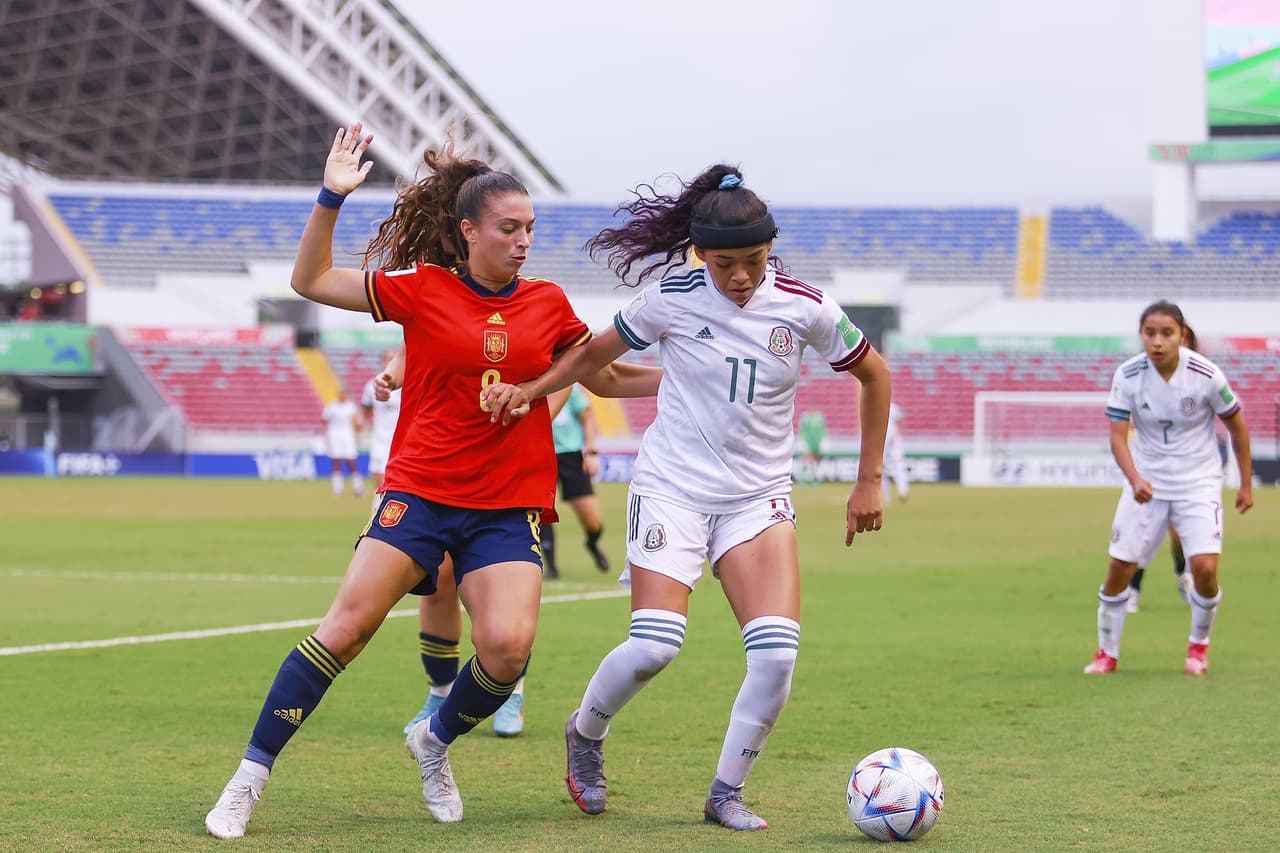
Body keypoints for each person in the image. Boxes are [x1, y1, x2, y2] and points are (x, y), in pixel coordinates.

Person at [203, 122, 659, 838]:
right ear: (468, 229)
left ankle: (434, 739)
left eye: (530, 227)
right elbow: (310, 280)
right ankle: (249, 777)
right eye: (509, 227)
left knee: (508, 650)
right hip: (419, 493)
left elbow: (603, 373)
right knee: (345, 630)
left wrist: (692, 376)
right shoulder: (422, 289)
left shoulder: (547, 303)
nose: (523, 240)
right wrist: (331, 196)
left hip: (508, 507)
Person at [483, 165, 892, 831]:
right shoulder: (669, 297)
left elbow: (874, 373)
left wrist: (868, 477)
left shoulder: (806, 306)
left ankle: (725, 792)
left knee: (777, 655)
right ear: (700, 253)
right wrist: (530, 394)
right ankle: (585, 731)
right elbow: (594, 362)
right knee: (655, 646)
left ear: (772, 248)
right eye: (725, 263)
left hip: (757, 499)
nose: (740, 277)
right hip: (671, 488)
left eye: (754, 261)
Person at [1083, 301, 1252, 677]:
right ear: (1141, 335)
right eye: (1149, 333)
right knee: (1118, 569)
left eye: (1166, 333)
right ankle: (1106, 653)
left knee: (1205, 569)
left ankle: (1198, 647)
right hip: (1146, 483)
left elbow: (1238, 426)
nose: (1157, 341)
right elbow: (1116, 438)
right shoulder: (1127, 375)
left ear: (1182, 335)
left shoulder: (1206, 374)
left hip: (1198, 482)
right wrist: (1135, 479)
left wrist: (1244, 484)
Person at [1124, 324, 1225, 613]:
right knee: (1146, 532)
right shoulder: (1145, 377)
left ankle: (1183, 573)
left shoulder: (1202, 378)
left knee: (1179, 535)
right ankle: (1133, 588)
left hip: (1192, 474)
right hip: (1153, 469)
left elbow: (1226, 416)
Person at [542, 383, 611, 580]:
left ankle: (592, 543)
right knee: (541, 512)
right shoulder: (531, 385)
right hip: (542, 455)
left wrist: (590, 452)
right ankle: (551, 566)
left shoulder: (568, 387)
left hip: (571, 458)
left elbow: (587, 418)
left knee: (592, 521)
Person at [360, 349, 401, 512]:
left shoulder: (407, 385)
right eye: (386, 359)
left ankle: (384, 514)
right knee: (381, 483)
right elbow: (365, 409)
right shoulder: (371, 386)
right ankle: (379, 513)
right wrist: (361, 422)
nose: (389, 362)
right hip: (381, 439)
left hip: (402, 440)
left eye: (393, 359)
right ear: (381, 362)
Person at [321, 386, 365, 497]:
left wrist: (358, 431)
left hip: (348, 437)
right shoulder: (331, 407)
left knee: (352, 462)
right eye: (341, 393)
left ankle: (358, 488)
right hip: (335, 436)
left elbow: (356, 423)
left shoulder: (351, 407)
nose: (342, 396)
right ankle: (337, 490)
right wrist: (326, 435)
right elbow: (325, 421)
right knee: (336, 462)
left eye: (344, 394)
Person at [883, 401, 909, 502]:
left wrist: (896, 434)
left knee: (899, 465)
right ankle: (886, 496)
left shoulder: (893, 408)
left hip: (894, 441)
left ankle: (903, 492)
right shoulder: (875, 407)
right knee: (881, 469)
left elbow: (900, 421)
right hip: (881, 441)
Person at [796, 409, 826, 486]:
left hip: (816, 443)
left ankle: (814, 480)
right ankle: (802, 480)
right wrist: (803, 441)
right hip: (807, 442)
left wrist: (822, 441)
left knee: (814, 462)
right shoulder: (805, 417)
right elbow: (802, 430)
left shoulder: (819, 417)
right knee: (806, 461)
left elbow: (822, 430)